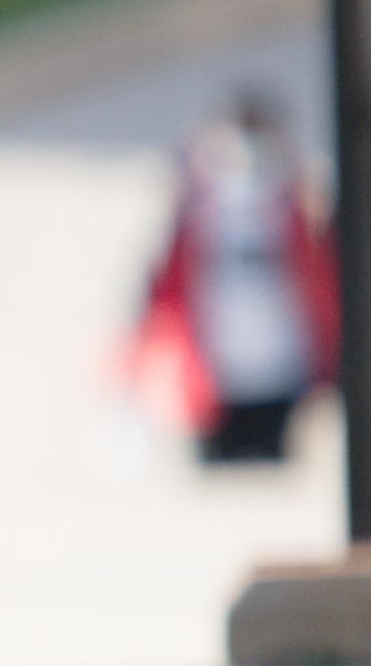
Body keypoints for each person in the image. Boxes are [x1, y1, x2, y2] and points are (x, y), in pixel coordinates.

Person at [131, 89, 338, 466]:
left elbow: (322, 283)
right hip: (215, 375)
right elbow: (164, 293)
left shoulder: (293, 214)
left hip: (282, 370)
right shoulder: (197, 218)